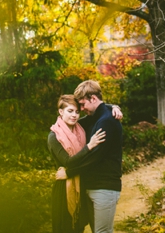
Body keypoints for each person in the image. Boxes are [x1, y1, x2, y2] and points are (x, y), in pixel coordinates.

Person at [48, 94, 107, 233]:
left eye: (77, 111)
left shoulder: (80, 128)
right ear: (61, 111)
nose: (74, 115)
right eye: (70, 111)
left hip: (82, 183)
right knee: (65, 228)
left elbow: (99, 111)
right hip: (64, 187)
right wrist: (89, 146)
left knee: (79, 227)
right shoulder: (54, 136)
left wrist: (114, 108)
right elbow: (67, 161)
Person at [72, 80, 123, 233]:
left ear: (93, 99)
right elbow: (72, 122)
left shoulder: (106, 121)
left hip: (104, 187)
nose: (81, 109)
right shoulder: (97, 117)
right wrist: (112, 106)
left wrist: (68, 171)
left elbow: (93, 157)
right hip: (93, 186)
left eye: (82, 105)